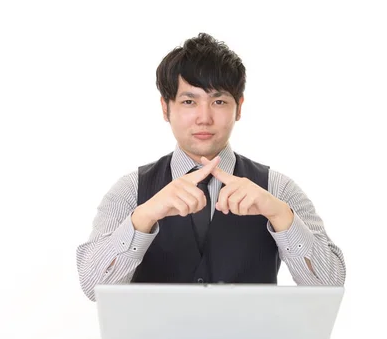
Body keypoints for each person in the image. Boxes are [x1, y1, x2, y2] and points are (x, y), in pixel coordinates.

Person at [76, 33, 346, 301]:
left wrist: (281, 215)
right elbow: (93, 287)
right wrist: (143, 217)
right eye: (188, 102)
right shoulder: (130, 189)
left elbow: (330, 286)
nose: (204, 118)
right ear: (165, 108)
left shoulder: (277, 188)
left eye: (219, 102)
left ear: (238, 108)